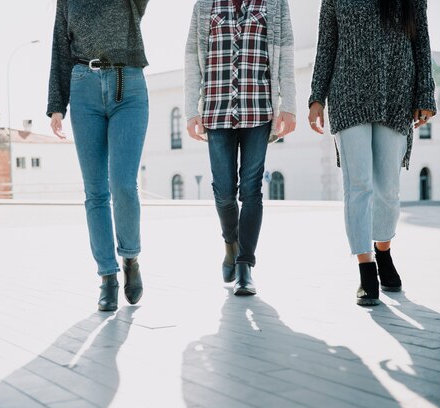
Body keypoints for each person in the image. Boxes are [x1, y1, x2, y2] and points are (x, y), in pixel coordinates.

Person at [308, 0, 436, 305]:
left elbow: (422, 40)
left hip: (397, 92)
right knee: (358, 184)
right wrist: (317, 98)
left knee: (388, 187)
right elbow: (326, 44)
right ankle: (366, 268)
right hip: (347, 92)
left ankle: (383, 251)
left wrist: (426, 93)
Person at [185, 0, 297, 295]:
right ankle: (230, 243)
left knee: (251, 190)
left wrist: (290, 106)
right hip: (216, 112)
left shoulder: (275, 4)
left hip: (258, 111)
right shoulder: (204, 6)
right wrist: (190, 111)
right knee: (223, 190)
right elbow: (192, 58)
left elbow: (285, 55)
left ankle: (245, 266)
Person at [47, 0, 150, 311]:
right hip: (84, 88)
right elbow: (60, 48)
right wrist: (56, 104)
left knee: (123, 184)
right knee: (95, 192)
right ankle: (107, 277)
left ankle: (130, 256)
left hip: (128, 86)